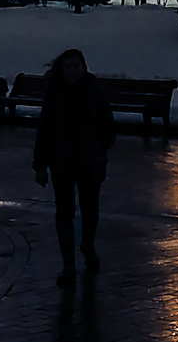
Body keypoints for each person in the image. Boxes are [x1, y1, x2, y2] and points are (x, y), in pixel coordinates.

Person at [33, 48, 116, 287]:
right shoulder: (55, 94)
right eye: (68, 66)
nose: (72, 71)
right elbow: (45, 129)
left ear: (84, 67)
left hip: (90, 162)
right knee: (64, 213)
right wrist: (40, 164)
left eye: (76, 66)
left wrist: (101, 145)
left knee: (90, 210)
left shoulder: (94, 91)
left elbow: (107, 122)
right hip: (63, 163)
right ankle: (68, 263)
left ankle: (87, 246)